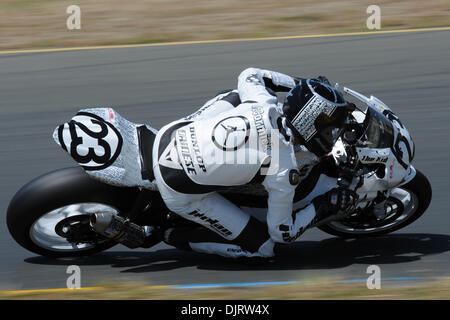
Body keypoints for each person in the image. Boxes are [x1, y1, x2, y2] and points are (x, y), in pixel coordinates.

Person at [148, 67, 357, 258]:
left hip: (169, 135)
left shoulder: (262, 102)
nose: (333, 136)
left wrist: (302, 85)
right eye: (331, 132)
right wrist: (323, 205)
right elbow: (283, 233)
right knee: (263, 248)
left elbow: (249, 74)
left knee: (237, 94)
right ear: (312, 130)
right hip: (175, 186)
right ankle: (168, 234)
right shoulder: (283, 170)